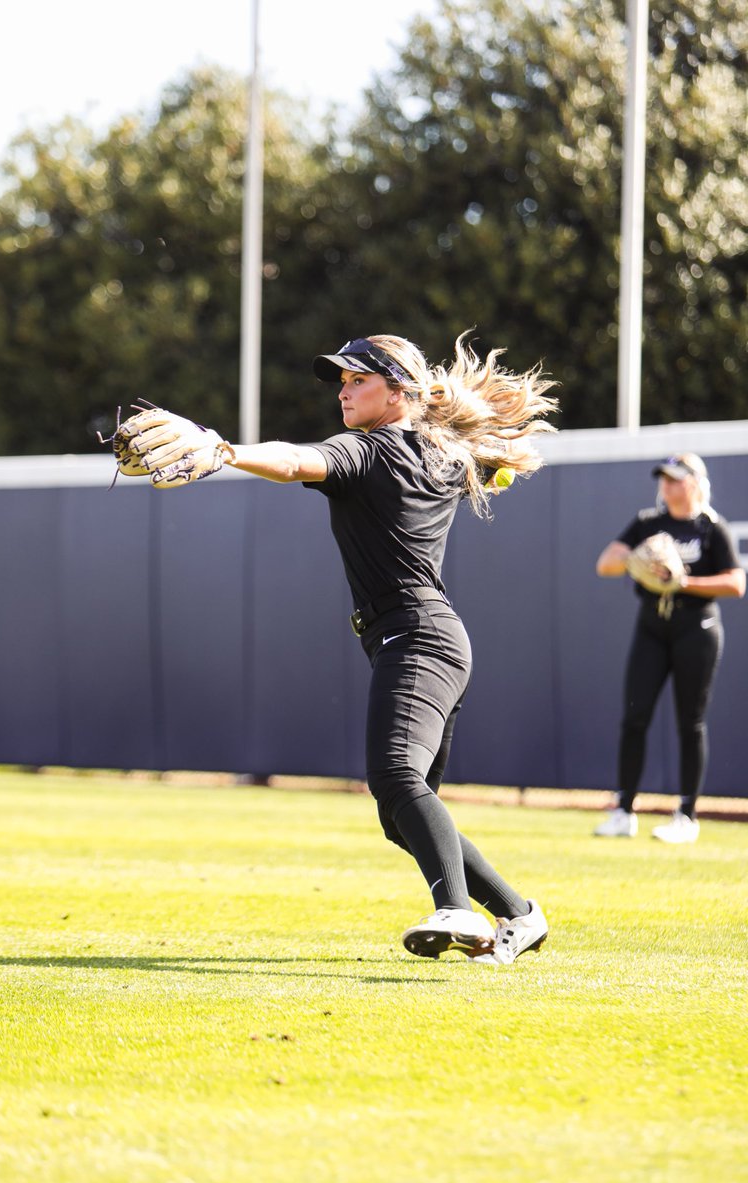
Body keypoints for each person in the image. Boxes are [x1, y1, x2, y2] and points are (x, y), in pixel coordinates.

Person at [120, 333, 557, 963]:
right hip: (430, 638)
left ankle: (457, 910)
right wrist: (486, 460)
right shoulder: (438, 450)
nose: (345, 391)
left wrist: (224, 450)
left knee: (396, 778)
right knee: (401, 810)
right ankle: (520, 914)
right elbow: (470, 461)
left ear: (398, 390)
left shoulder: (373, 449)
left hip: (414, 634)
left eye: (359, 380)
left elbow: (297, 461)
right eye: (342, 381)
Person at [594, 453, 745, 843]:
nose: (667, 484)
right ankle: (624, 810)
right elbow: (606, 563)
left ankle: (686, 815)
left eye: (676, 478)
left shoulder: (711, 528)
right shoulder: (649, 522)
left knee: (689, 722)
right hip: (652, 628)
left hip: (697, 628)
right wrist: (637, 560)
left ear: (694, 482)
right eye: (664, 478)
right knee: (634, 716)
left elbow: (736, 583)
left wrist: (683, 582)